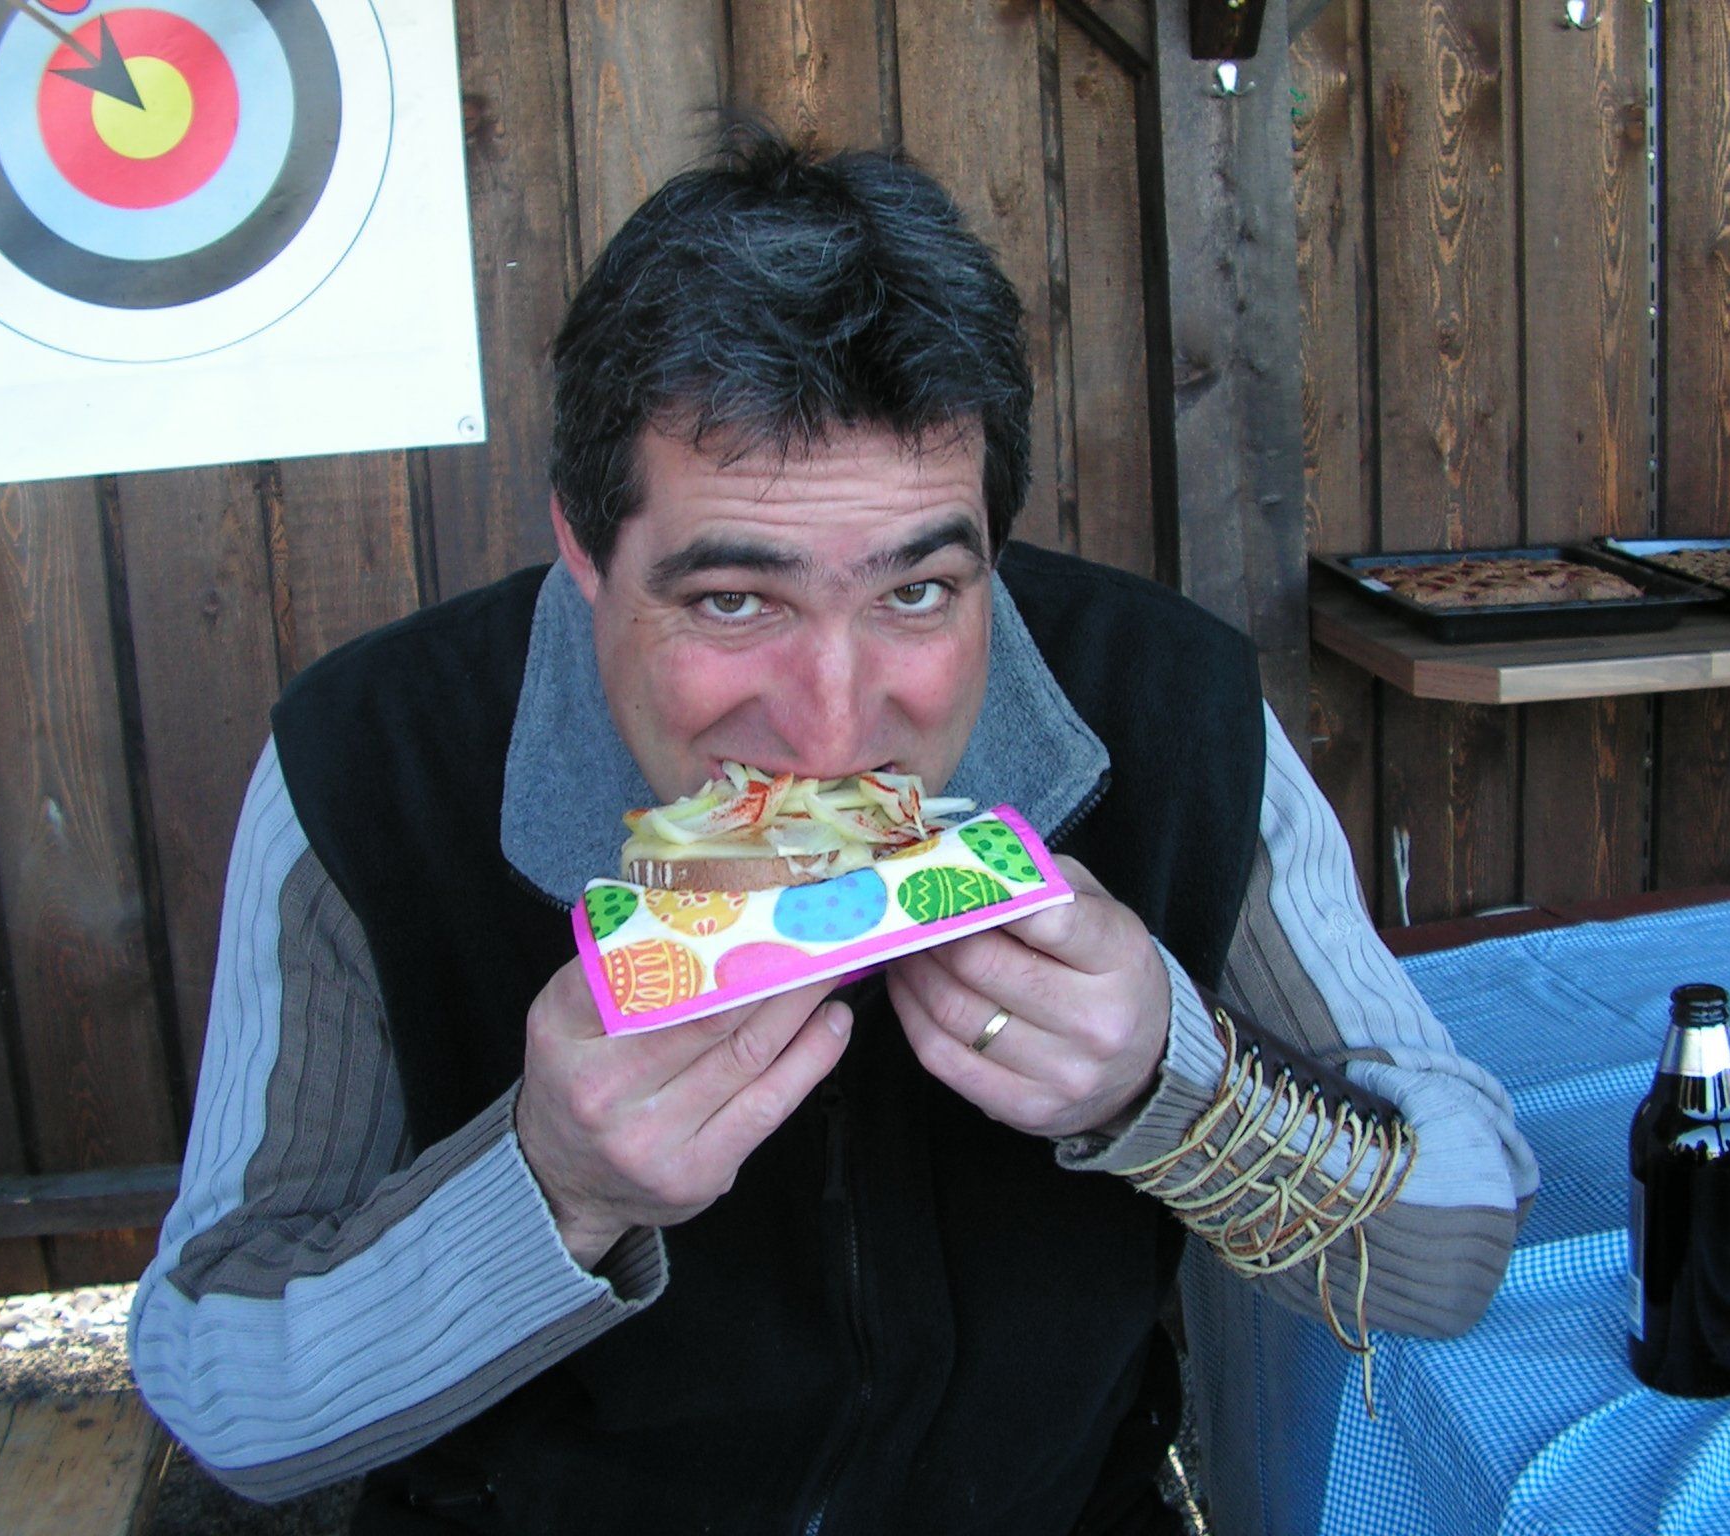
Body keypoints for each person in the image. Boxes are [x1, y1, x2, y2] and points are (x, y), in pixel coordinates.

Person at [129, 131, 1536, 1534]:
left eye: (917, 592)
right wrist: (549, 1189)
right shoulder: (365, 763)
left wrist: (1178, 1089)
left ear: (992, 547)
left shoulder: (1178, 711)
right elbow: (224, 1399)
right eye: (733, 601)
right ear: (584, 547)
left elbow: (1458, 1247)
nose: (831, 732)